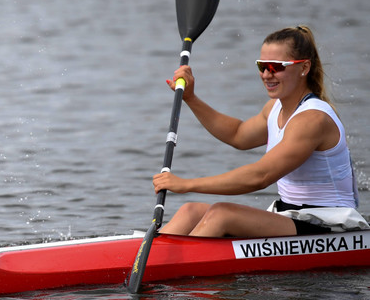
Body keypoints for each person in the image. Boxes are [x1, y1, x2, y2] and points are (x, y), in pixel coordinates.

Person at [153, 25, 367, 237]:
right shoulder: (274, 108)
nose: (266, 74)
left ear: (304, 68)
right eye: (262, 66)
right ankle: (147, 258)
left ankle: (166, 268)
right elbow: (237, 135)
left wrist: (186, 184)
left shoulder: (313, 119)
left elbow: (260, 176)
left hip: (331, 226)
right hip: (292, 216)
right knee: (190, 211)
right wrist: (191, 98)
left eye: (276, 67)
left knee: (222, 214)